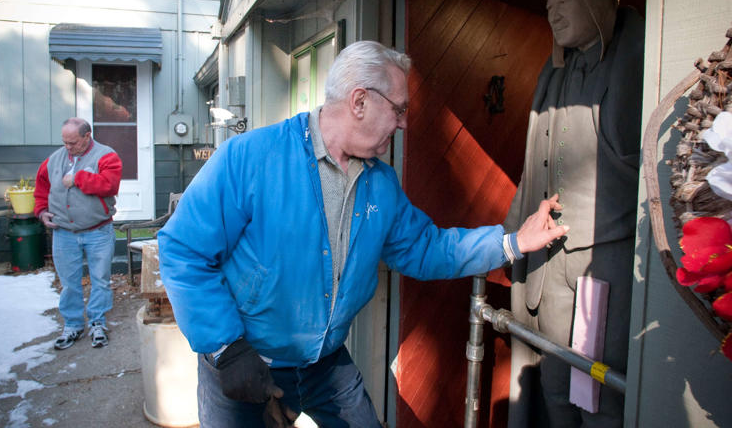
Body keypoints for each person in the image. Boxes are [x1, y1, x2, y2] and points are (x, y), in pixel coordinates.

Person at [158, 40, 570, 428]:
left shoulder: (380, 183)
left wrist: (511, 242)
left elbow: (427, 248)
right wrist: (227, 348)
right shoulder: (250, 158)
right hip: (245, 362)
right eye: (399, 109)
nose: (405, 123)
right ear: (359, 101)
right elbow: (182, 250)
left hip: (323, 362)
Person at [505, 0, 644, 427]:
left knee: (599, 391)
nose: (553, 13)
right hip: (546, 254)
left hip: (601, 256)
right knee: (554, 383)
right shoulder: (553, 70)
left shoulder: (638, 52)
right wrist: (509, 238)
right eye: (548, 4)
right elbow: (532, 164)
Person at [34, 117, 123, 350]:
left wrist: (78, 179)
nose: (68, 147)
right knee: (69, 283)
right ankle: (73, 325)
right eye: (65, 142)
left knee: (100, 281)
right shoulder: (54, 159)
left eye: (73, 142)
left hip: (98, 231)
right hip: (64, 232)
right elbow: (42, 186)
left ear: (87, 136)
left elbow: (109, 184)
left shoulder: (106, 156)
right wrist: (41, 210)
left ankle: (97, 323)